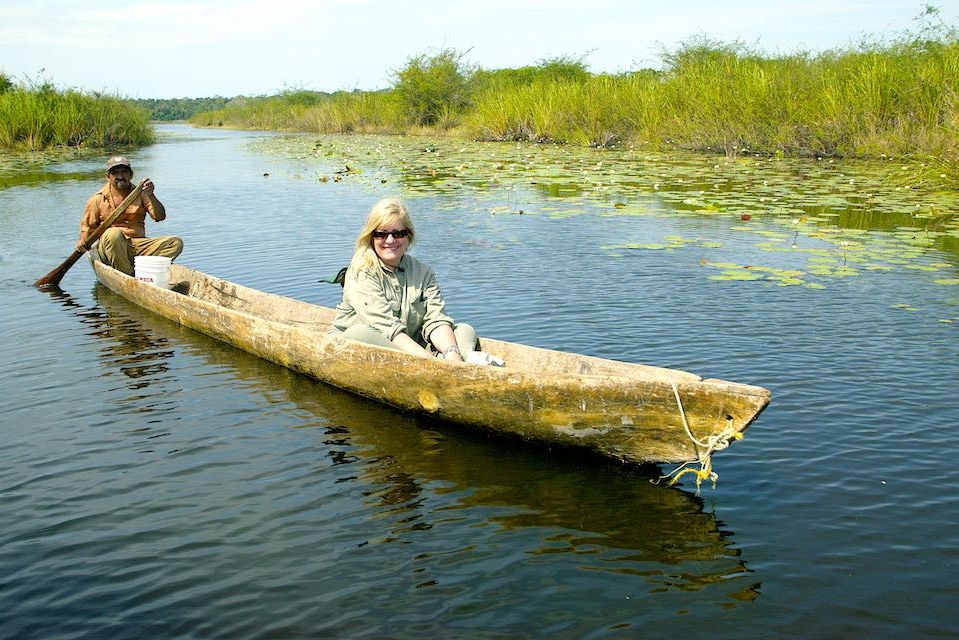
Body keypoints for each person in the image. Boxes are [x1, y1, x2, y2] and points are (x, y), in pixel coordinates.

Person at [332, 197, 476, 361]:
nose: (390, 240)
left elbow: (436, 319)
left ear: (409, 236)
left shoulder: (423, 272)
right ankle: (450, 367)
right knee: (357, 334)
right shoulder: (361, 272)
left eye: (398, 233)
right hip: (374, 344)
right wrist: (432, 363)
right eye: (381, 234)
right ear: (371, 237)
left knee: (465, 330)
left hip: (410, 346)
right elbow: (387, 328)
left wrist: (452, 353)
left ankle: (458, 366)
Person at [78, 156, 183, 275]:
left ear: (131, 175)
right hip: (110, 247)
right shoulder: (97, 199)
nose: (120, 177)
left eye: (124, 172)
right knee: (113, 234)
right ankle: (127, 275)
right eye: (115, 173)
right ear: (108, 177)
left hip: (137, 245)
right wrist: (82, 241)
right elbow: (87, 227)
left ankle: (141, 269)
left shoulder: (141, 194)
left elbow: (159, 217)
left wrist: (151, 195)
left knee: (175, 243)